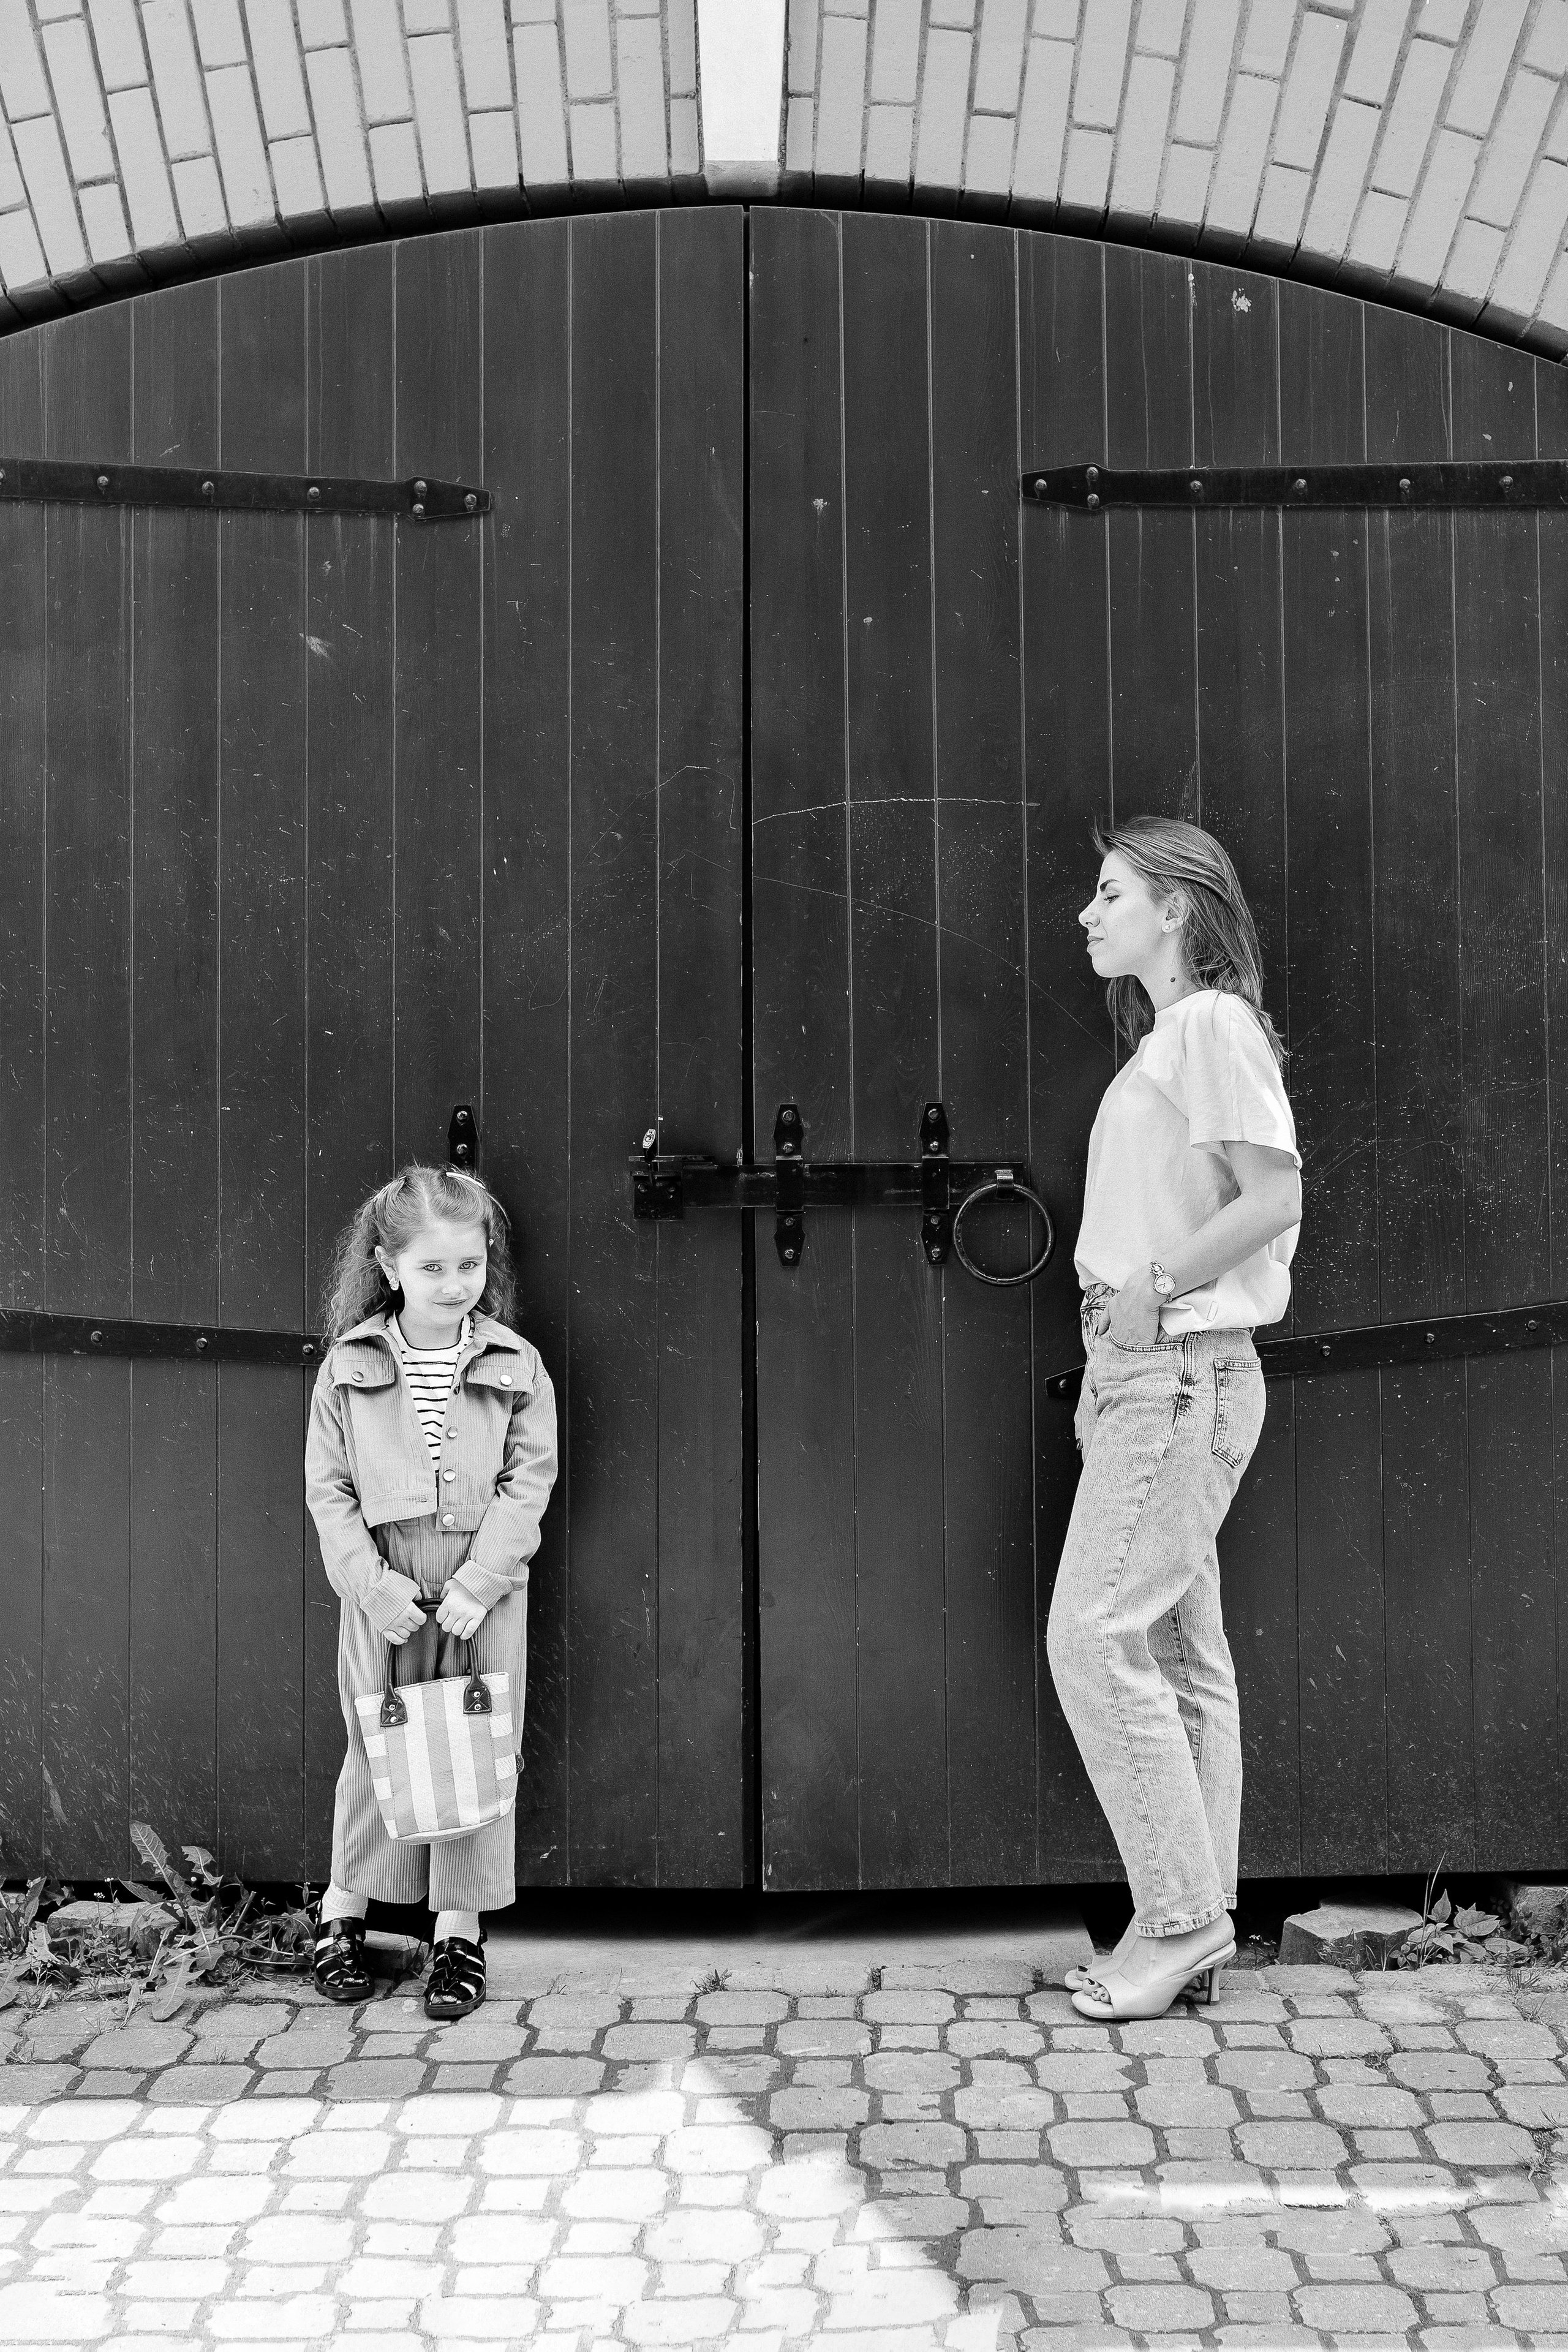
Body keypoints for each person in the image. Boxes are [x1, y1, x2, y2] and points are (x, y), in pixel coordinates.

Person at [1047, 815, 1302, 2023]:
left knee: (1092, 1635)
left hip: (1179, 1370)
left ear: (1176, 908)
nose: (1087, 914)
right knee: (1179, 1655)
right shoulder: (1175, 1038)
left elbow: (1275, 1196)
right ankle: (1194, 1921)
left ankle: (1180, 1921)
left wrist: (1151, 1292)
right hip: (1154, 1372)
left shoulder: (1208, 1025)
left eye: (1111, 893)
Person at [304, 1165, 557, 2019]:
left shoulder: (515, 1364)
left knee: (474, 1750)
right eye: (433, 1268)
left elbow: (529, 1482)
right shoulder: (350, 1366)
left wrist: (481, 1584)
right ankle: (345, 1911)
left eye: (470, 1266)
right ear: (389, 1265)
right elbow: (329, 1492)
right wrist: (372, 1588)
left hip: (483, 1594)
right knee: (375, 1745)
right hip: (383, 1594)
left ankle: (457, 1931)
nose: (455, 1285)